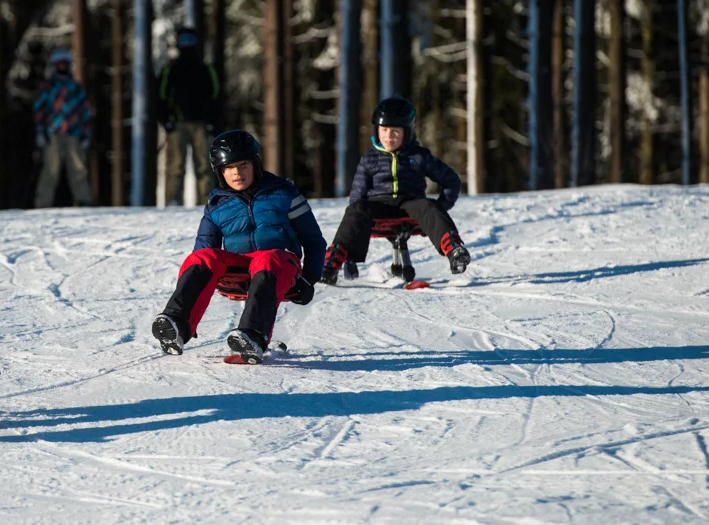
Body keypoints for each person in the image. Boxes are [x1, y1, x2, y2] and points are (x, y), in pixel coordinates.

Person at [151, 129, 326, 363]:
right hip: (240, 270)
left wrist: (309, 278)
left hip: (281, 267)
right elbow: (203, 254)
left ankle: (253, 334)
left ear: (255, 164)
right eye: (229, 168)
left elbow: (314, 240)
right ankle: (177, 325)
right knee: (201, 257)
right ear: (220, 172)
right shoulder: (217, 206)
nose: (237, 173)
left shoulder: (284, 193)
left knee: (268, 258)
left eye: (243, 165)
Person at [322, 96, 470, 284]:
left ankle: (454, 250)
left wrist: (440, 208)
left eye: (395, 131)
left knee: (429, 206)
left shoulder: (418, 156)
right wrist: (352, 255)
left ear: (406, 133)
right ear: (377, 130)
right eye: (384, 130)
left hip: (411, 204)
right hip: (378, 207)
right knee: (355, 209)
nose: (388, 136)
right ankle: (334, 261)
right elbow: (357, 196)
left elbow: (451, 181)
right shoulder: (369, 159)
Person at [157, 27, 221, 206]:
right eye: (183, 40)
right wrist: (165, 121)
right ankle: (172, 202)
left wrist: (212, 122)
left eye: (190, 40)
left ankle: (208, 201)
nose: (186, 44)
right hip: (177, 125)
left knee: (204, 166)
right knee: (175, 166)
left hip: (201, 125)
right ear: (177, 43)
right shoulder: (170, 70)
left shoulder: (206, 69)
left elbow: (216, 97)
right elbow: (160, 97)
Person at [33, 49, 93, 207]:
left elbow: (85, 111)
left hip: (74, 133)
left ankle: (83, 200)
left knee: (78, 169)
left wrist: (87, 134)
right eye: (59, 65)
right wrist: (40, 130)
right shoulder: (48, 88)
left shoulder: (76, 88)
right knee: (50, 170)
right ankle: (43, 203)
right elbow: (39, 109)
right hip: (52, 133)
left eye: (64, 64)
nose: (62, 67)